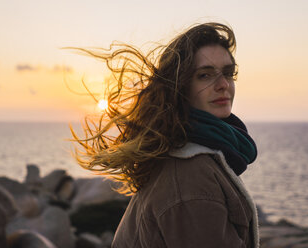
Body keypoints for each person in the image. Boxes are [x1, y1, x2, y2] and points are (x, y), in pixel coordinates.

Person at [69, 22, 259, 248]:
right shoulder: (190, 176)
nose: (223, 84)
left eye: (228, 73)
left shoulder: (186, 153)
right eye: (205, 75)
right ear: (180, 87)